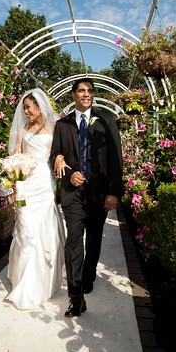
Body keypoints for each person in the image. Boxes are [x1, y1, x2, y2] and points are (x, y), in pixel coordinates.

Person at [50, 77, 123, 317]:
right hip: (72, 195)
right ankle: (75, 294)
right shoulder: (62, 125)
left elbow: (115, 159)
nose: (86, 94)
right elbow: (55, 157)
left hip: (99, 194)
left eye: (89, 91)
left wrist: (113, 192)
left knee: (93, 240)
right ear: (73, 95)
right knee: (73, 242)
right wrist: (68, 174)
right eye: (81, 91)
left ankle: (88, 275)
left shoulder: (107, 120)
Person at [5, 88, 66, 310]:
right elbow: (16, 154)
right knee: (25, 225)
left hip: (45, 183)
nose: (26, 112)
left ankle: (44, 279)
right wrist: (15, 175)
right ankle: (23, 277)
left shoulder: (54, 126)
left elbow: (61, 150)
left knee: (45, 227)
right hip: (26, 185)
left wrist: (59, 157)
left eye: (29, 107)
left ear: (40, 106)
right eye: (24, 109)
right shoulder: (23, 129)